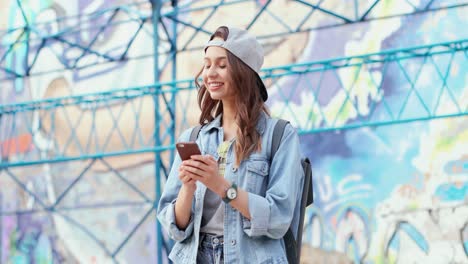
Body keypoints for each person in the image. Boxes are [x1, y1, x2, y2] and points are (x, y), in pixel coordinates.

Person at [157, 25, 304, 264]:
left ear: (244, 71)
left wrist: (222, 186)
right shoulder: (193, 138)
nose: (210, 73)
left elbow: (278, 217)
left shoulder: (279, 135)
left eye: (221, 65)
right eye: (207, 64)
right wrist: (188, 188)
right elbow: (176, 228)